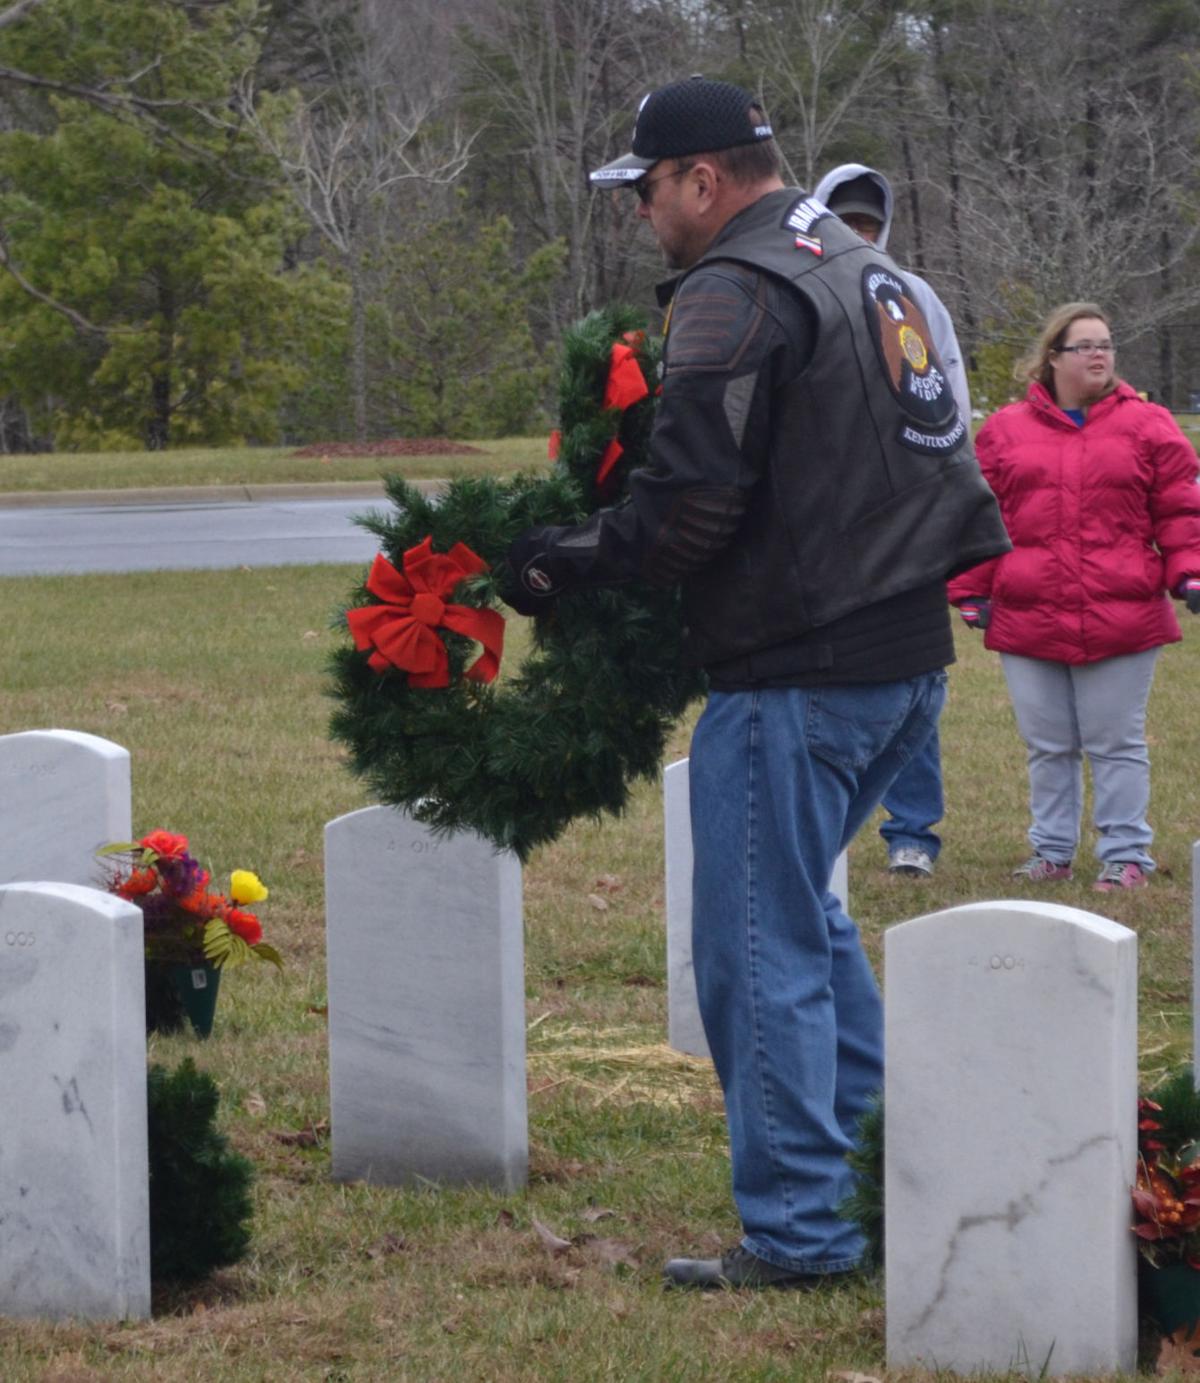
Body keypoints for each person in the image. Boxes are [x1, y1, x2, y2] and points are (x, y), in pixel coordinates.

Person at [504, 76, 1009, 1289]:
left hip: (800, 669)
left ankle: (803, 1231)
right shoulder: (862, 264)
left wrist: (553, 565)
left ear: (704, 179)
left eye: (646, 189)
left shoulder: (736, 287)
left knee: (753, 946)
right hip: (902, 658)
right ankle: (893, 1171)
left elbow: (688, 512)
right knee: (813, 925)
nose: (641, 214)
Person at [948, 302, 1200, 890]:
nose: (1099, 355)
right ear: (1053, 358)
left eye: (1106, 344)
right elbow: (979, 516)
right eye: (1085, 345)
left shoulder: (1149, 424)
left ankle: (1126, 853)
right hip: (1028, 611)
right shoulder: (1006, 430)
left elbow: (1181, 508)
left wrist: (1188, 572)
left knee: (1115, 741)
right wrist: (969, 589)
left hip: (1122, 612)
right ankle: (1051, 852)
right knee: (1048, 744)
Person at [813, 163, 972, 880]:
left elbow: (951, 403)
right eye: (846, 221)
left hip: (908, 522)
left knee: (913, 679)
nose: (860, 234)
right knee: (840, 685)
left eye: (870, 223)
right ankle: (831, 820)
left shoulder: (916, 298)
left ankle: (913, 829)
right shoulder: (802, 289)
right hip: (830, 528)